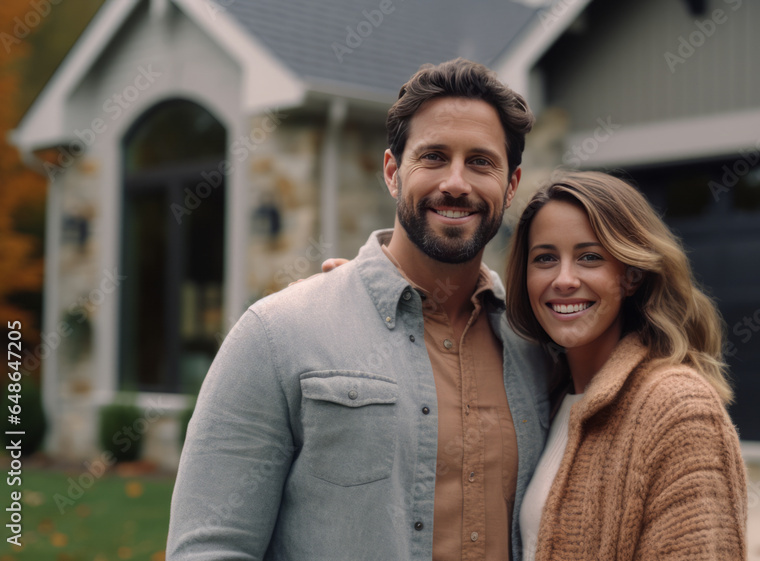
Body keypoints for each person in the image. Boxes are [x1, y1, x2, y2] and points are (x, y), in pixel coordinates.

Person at [166, 58, 553, 560]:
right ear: (392, 173)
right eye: (433, 157)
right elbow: (211, 547)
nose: (456, 183)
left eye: (480, 162)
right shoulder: (278, 333)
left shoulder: (539, 347)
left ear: (511, 183)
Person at [506, 171, 748, 560]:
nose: (564, 279)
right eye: (546, 258)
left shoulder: (678, 408)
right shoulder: (542, 399)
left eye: (589, 257)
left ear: (631, 275)